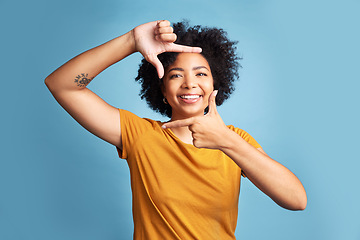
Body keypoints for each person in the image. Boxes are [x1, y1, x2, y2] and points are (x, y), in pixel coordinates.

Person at [45, 20, 307, 240]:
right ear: (161, 88)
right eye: (176, 75)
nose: (189, 84)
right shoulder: (139, 135)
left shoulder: (236, 140)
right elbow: (62, 84)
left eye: (201, 74)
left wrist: (227, 142)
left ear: (216, 85)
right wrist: (131, 41)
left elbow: (297, 200)